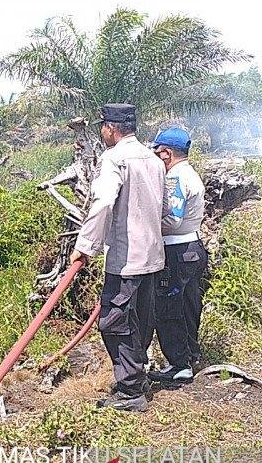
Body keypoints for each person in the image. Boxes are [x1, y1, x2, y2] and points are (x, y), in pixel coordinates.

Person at [69, 103, 166, 412]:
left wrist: (86, 246)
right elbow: (162, 208)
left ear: (110, 128)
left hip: (127, 260)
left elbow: (102, 203)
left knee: (114, 322)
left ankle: (129, 391)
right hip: (152, 256)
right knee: (140, 321)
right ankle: (138, 379)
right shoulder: (153, 159)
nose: (102, 132)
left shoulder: (114, 158)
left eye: (103, 127)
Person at [149, 128, 208, 384]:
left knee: (168, 307)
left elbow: (172, 218)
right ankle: (190, 356)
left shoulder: (174, 179)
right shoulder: (190, 173)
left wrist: (146, 227)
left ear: (167, 153)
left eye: (156, 151)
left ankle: (179, 364)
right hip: (192, 248)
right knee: (188, 306)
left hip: (175, 251)